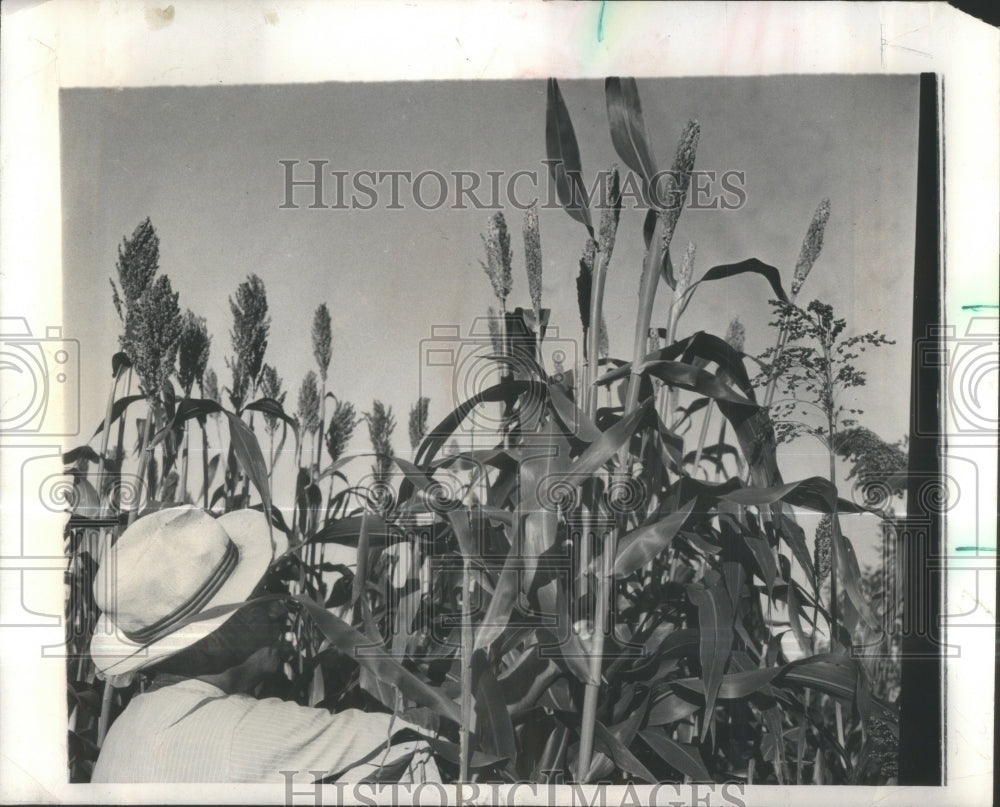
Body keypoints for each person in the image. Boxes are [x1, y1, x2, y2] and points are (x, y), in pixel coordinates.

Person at [89, 505, 438, 784]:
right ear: (209, 641)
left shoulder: (122, 732)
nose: (277, 609)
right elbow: (415, 742)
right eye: (257, 601)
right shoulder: (238, 734)